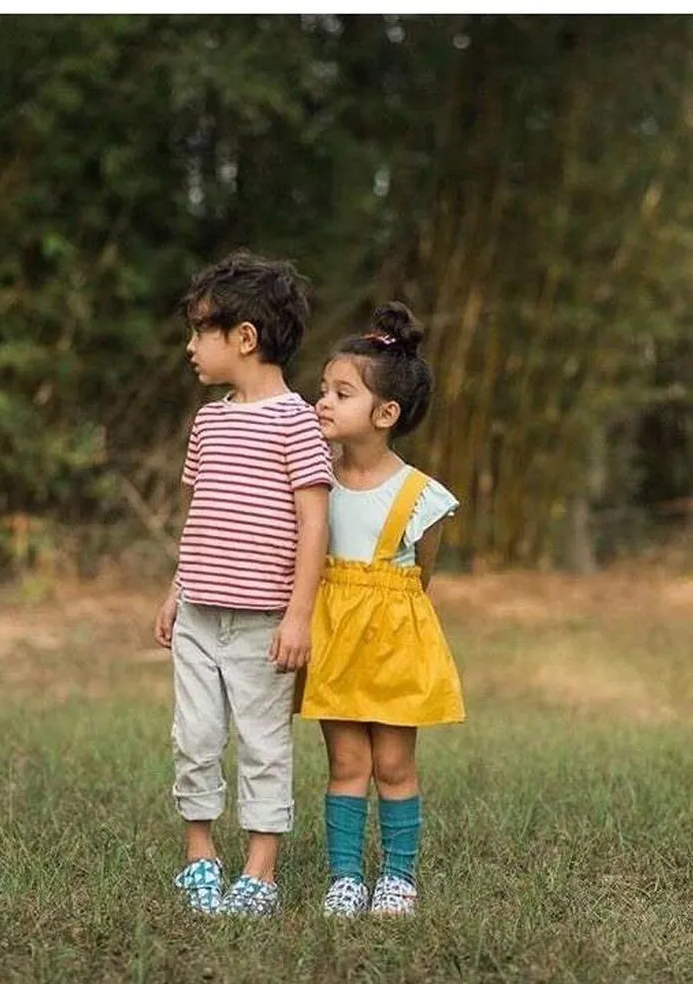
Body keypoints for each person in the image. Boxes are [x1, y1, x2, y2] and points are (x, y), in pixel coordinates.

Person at [153, 250, 333, 918]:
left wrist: (298, 616)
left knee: (262, 745)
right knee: (194, 735)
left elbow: (315, 523)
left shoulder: (296, 423)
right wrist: (178, 587)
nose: (191, 345)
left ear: (245, 338)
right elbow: (199, 517)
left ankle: (260, 871)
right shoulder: (210, 421)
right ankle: (200, 854)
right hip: (200, 615)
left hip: (264, 625)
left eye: (202, 331)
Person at [297, 301, 466, 917]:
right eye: (323, 389)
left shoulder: (419, 494)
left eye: (340, 393)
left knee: (393, 764)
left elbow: (424, 569)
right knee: (345, 762)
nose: (322, 402)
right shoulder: (313, 479)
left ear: (385, 413)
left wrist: (388, 605)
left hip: (395, 639)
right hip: (334, 636)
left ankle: (398, 879)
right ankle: (344, 877)